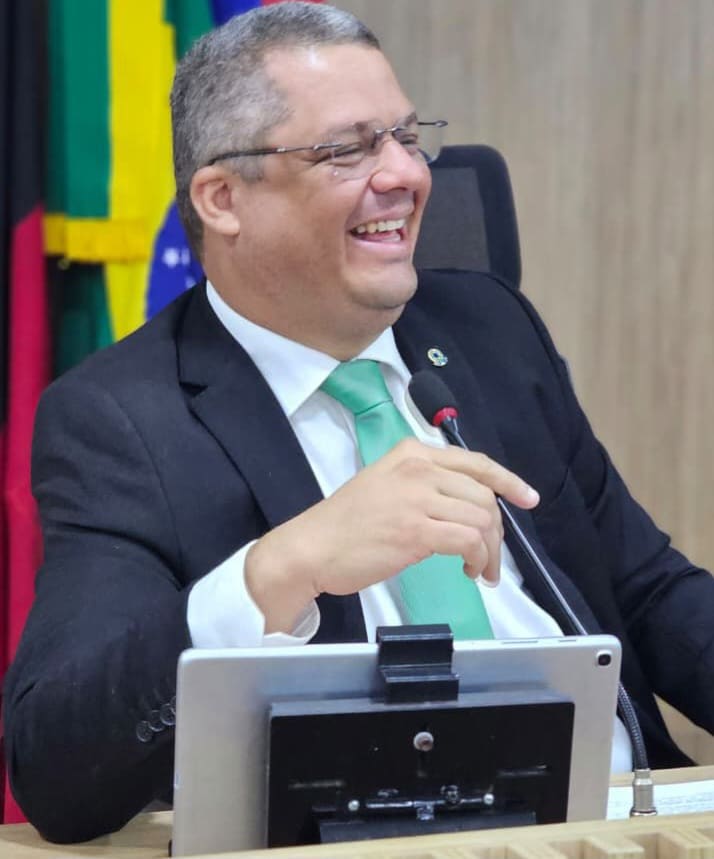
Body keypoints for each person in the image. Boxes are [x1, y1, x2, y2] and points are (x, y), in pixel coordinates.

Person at [4, 1, 713, 845]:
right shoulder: (121, 420)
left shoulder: (491, 329)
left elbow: (648, 591)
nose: (407, 175)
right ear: (223, 198)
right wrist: (279, 569)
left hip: (618, 825)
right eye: (348, 149)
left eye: (407, 137)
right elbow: (55, 766)